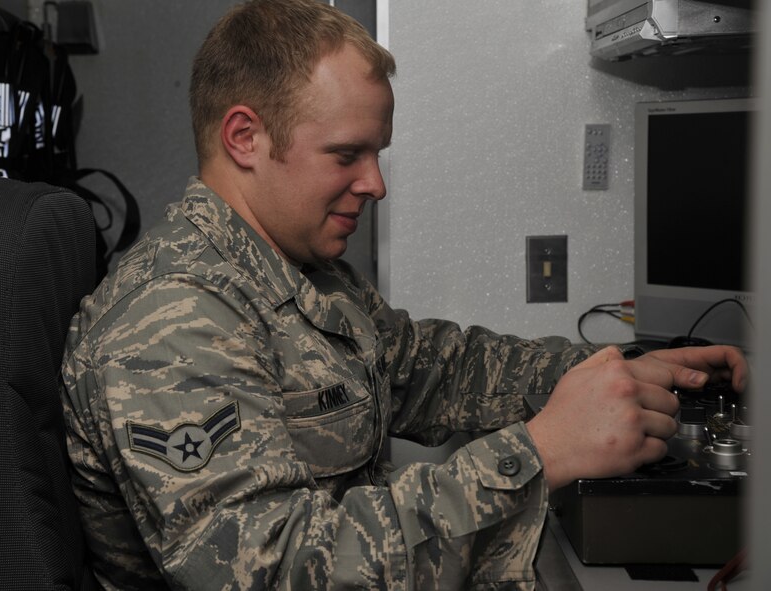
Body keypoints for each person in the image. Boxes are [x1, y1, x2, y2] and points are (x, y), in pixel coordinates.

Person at [60, 1, 749, 589]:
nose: (375, 184)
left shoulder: (300, 272)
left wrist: (608, 371)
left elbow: (433, 365)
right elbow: (272, 566)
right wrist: (539, 451)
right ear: (245, 136)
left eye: (378, 153)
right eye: (346, 154)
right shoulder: (168, 320)